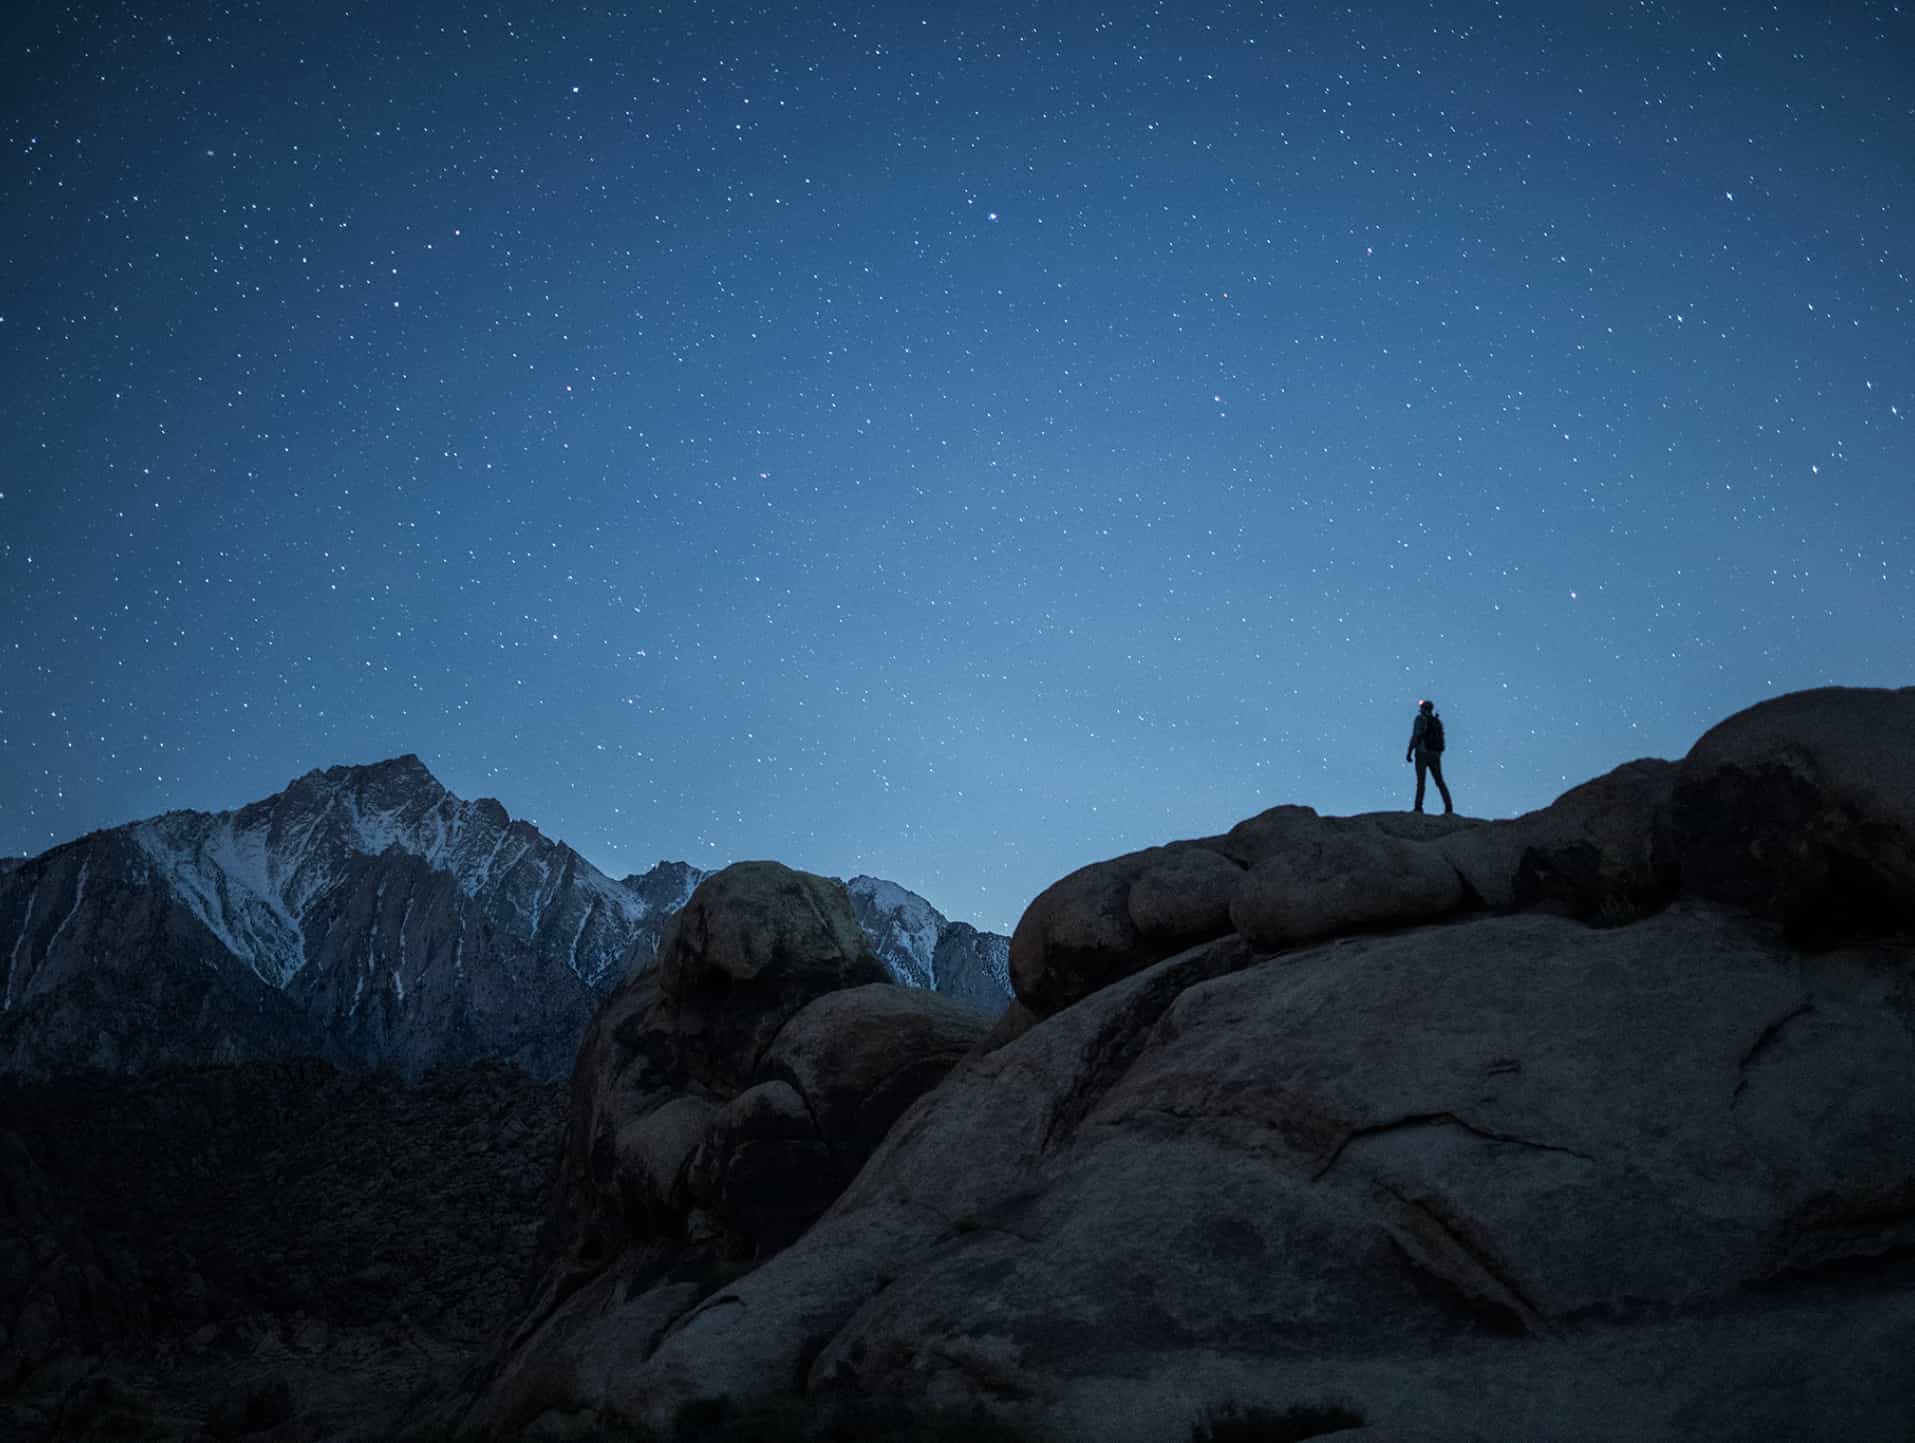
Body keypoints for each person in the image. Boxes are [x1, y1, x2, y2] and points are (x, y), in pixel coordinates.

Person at [1406, 698, 1454, 815]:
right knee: (1440, 781)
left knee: (1421, 782)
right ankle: (1449, 807)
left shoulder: (1420, 719)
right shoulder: (1436, 721)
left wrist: (1409, 751)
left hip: (1422, 753)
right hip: (1435, 754)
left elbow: (1416, 736)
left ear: (1422, 709)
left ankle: (1418, 807)